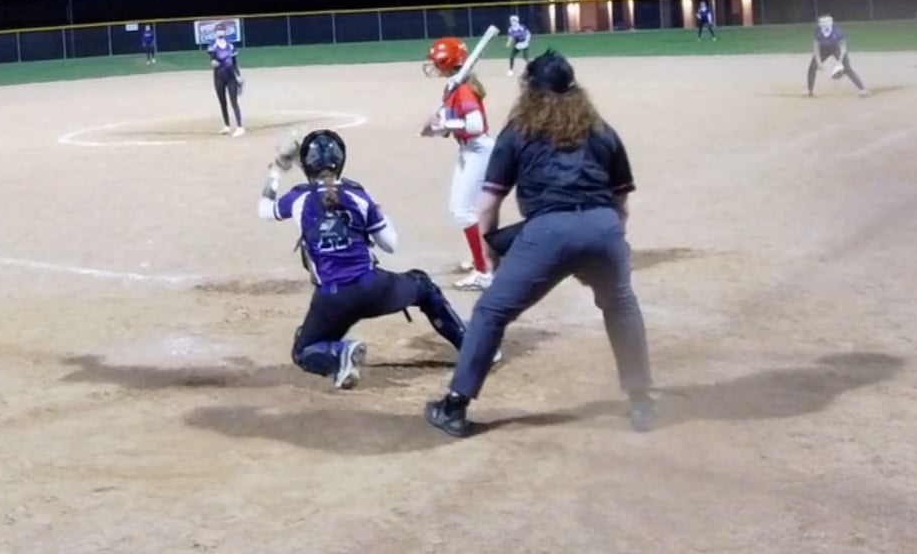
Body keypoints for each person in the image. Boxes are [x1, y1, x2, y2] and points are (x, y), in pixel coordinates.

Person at [425, 50, 655, 438]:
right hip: (602, 226)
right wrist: (605, 246)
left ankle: (454, 406)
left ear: (530, 90)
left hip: (547, 232)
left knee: (491, 312)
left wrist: (490, 253)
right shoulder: (601, 130)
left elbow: (488, 205)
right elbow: (621, 203)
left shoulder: (519, 131)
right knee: (621, 305)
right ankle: (641, 402)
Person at [260, 129, 476, 389]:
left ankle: (338, 354)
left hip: (331, 300)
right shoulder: (357, 195)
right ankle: (473, 350)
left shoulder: (299, 197)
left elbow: (265, 210)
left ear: (306, 165)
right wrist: (378, 217)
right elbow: (390, 245)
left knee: (304, 350)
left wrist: (276, 170)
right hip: (373, 289)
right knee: (423, 286)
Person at [421, 36, 496, 290]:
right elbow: (451, 125)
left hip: (479, 150)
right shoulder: (453, 87)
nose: (433, 66)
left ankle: (484, 272)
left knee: (465, 211)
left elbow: (475, 126)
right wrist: (435, 129)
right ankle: (482, 258)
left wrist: (444, 123)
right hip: (467, 151)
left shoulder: (463, 89)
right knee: (459, 208)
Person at [808, 15, 868, 97]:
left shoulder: (837, 33)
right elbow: (816, 46)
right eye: (822, 23)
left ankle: (862, 89)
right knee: (812, 67)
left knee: (847, 69)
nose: (824, 25)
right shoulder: (818, 31)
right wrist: (818, 61)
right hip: (823, 50)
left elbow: (843, 48)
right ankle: (810, 91)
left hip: (837, 49)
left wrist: (839, 61)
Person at [208, 25, 245, 137]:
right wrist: (213, 62)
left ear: (225, 32)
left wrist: (238, 75)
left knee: (233, 101)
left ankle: (239, 127)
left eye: (222, 30)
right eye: (218, 30)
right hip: (218, 77)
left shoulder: (231, 46)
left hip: (231, 76)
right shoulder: (212, 46)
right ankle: (227, 125)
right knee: (222, 102)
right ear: (215, 33)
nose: (220, 32)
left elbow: (234, 62)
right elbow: (212, 59)